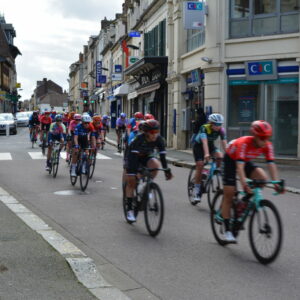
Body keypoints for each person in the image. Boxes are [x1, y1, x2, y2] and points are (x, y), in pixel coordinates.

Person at [221, 120, 283, 243]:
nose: (265, 141)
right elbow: (239, 167)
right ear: (254, 136)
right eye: (262, 138)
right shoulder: (244, 143)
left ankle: (243, 203)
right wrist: (244, 183)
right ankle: (228, 230)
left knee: (262, 178)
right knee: (229, 193)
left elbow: (271, 164)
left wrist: (276, 182)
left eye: (267, 138)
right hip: (231, 160)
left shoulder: (267, 145)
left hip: (244, 160)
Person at [124, 119, 173, 222]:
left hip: (146, 156)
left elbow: (163, 157)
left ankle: (147, 186)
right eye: (152, 132)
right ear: (146, 132)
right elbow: (133, 160)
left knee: (155, 164)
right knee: (131, 181)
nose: (154, 135)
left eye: (156, 132)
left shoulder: (159, 139)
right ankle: (129, 210)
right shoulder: (138, 139)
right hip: (133, 156)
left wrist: (167, 171)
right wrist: (135, 173)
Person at [192, 113, 227, 203]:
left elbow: (224, 144)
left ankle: (211, 173)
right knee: (200, 164)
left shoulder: (221, 130)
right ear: (211, 123)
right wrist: (206, 154)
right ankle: (196, 190)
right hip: (199, 146)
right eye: (217, 124)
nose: (219, 126)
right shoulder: (204, 128)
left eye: (220, 124)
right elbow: (204, 142)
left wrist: (228, 155)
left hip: (210, 145)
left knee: (220, 157)